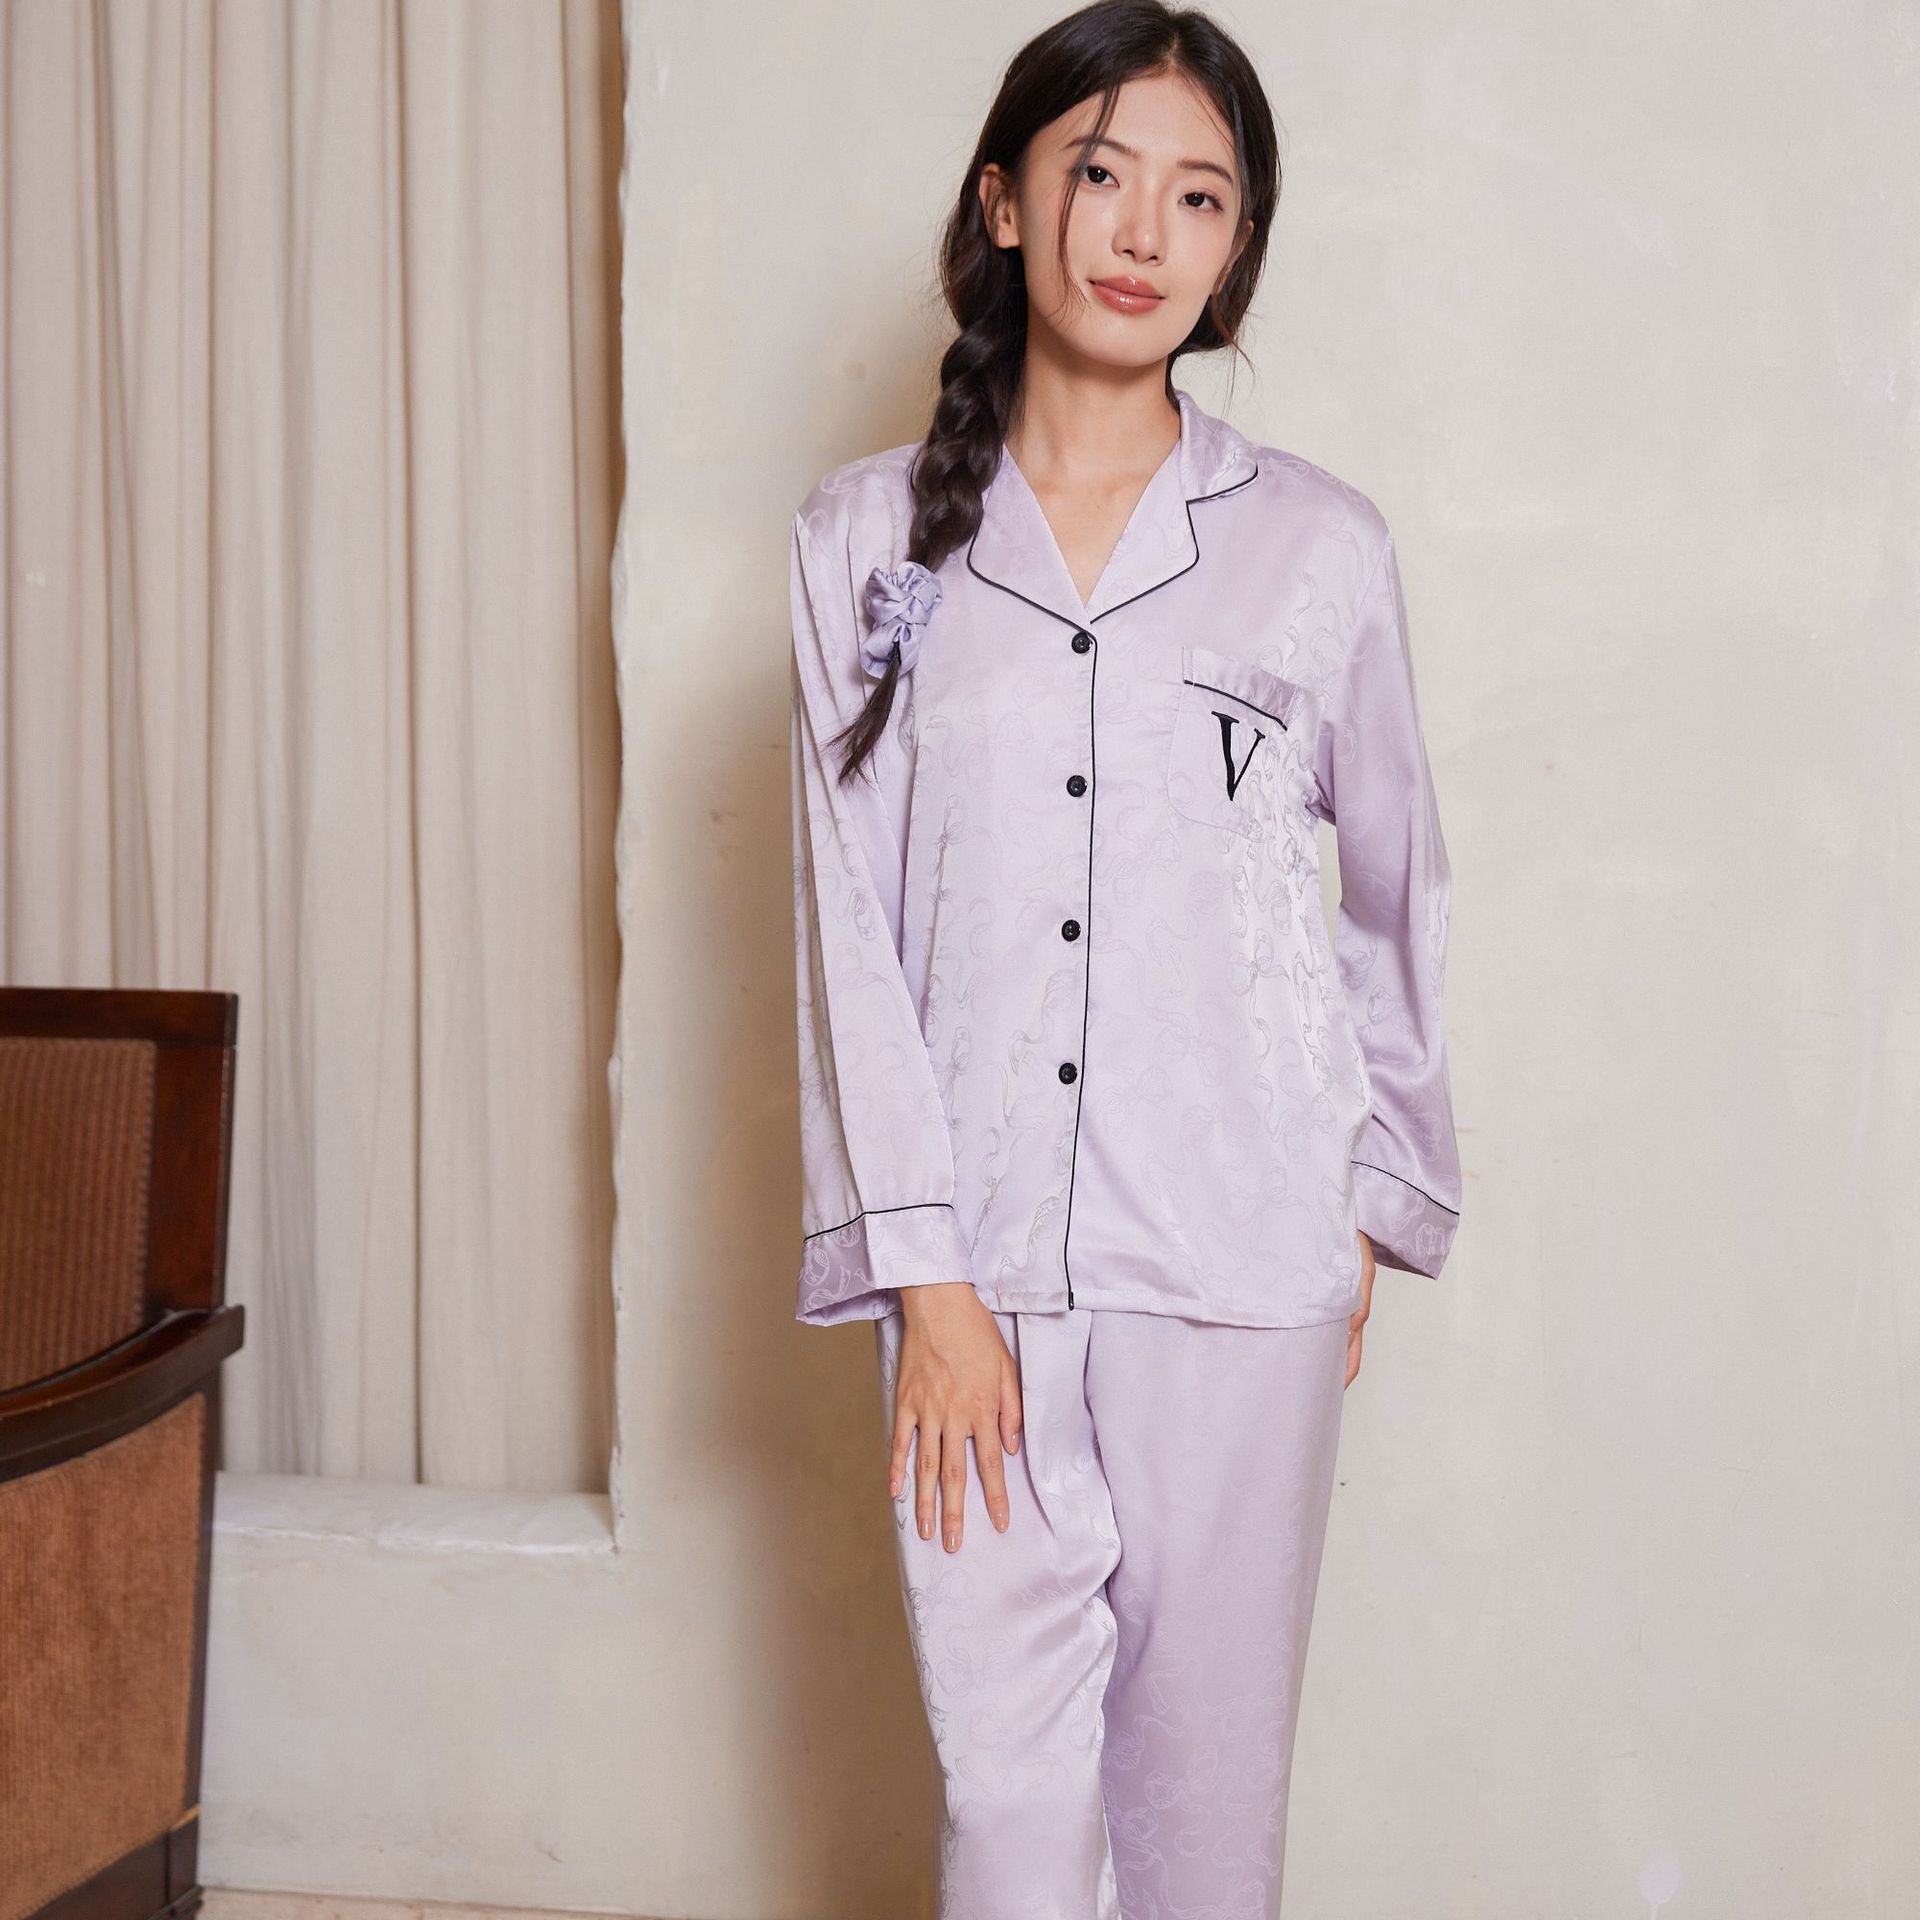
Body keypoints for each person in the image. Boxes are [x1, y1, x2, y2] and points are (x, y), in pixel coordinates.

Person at [784, 1, 1462, 1911]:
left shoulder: (1320, 550)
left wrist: (1365, 1202)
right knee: (1011, 1827)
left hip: (1240, 1272)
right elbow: (845, 935)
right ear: (1006, 200)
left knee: (1200, 1836)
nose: (1143, 231)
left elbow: (1399, 891)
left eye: (1199, 196)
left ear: (1236, 248)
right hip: (977, 1283)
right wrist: (925, 1285)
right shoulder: (860, 544)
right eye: (1099, 173)